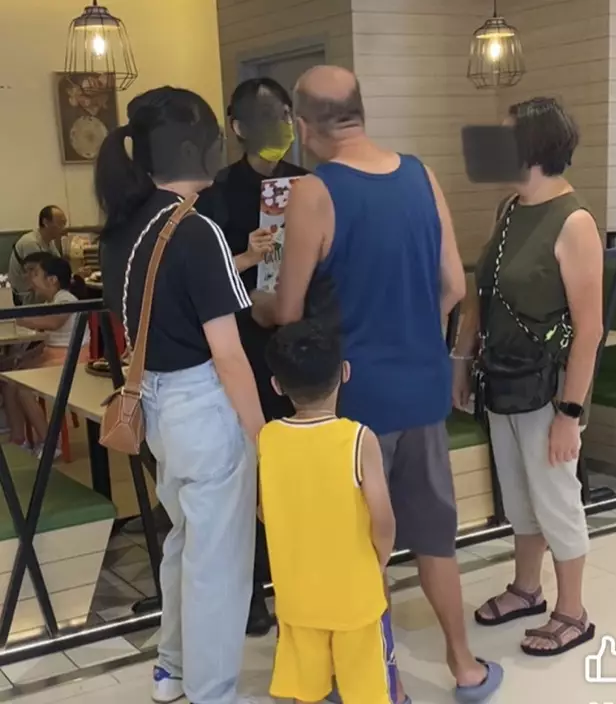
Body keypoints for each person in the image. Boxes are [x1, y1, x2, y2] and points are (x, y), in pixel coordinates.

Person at [251, 65, 503, 703]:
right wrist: (411, 330)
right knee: (435, 536)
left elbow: (288, 309)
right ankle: (464, 666)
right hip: (421, 387)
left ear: (302, 125)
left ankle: (377, 680)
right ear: (358, 110)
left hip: (354, 399)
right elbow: (453, 285)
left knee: (363, 546)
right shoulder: (421, 175)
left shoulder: (314, 192)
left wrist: (258, 301)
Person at [96, 86, 265, 704]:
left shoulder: (123, 227)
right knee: (217, 560)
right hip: (204, 407)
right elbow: (228, 354)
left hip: (157, 406)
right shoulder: (196, 230)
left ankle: (171, 670)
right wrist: (262, 435)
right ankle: (211, 690)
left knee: (184, 542)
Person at [454, 97, 603, 656]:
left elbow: (589, 329)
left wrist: (570, 414)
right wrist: (461, 361)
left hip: (548, 388)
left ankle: (573, 611)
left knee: (555, 496)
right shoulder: (510, 208)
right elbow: (482, 294)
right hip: (503, 377)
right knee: (518, 493)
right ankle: (526, 588)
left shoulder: (574, 222)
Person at [197, 77, 308, 637]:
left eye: (284, 114)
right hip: (242, 349)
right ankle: (253, 586)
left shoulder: (309, 184)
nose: (278, 127)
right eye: (265, 117)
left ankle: (298, 578)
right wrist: (245, 258)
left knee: (301, 466)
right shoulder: (216, 195)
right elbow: (203, 281)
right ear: (238, 127)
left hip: (302, 344)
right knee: (250, 468)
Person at [260, 319, 401, 704]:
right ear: (345, 371)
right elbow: (383, 517)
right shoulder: (357, 438)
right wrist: (379, 560)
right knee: (367, 692)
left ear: (277, 385)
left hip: (296, 598)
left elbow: (264, 510)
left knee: (306, 693)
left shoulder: (268, 439)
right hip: (355, 597)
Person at [3, 252, 89, 456]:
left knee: (24, 389)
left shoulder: (66, 298)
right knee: (9, 381)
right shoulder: (52, 300)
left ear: (52, 280)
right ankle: (19, 437)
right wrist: (26, 356)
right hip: (55, 356)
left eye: (35, 274)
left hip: (72, 360)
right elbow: (49, 341)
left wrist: (16, 318)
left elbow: (53, 323)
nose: (31, 279)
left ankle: (51, 443)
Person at [9, 206, 67, 304]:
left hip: (41, 292)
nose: (63, 228)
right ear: (45, 222)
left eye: (64, 223)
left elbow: (59, 265)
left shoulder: (49, 242)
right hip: (28, 298)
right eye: (60, 223)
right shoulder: (30, 243)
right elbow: (39, 276)